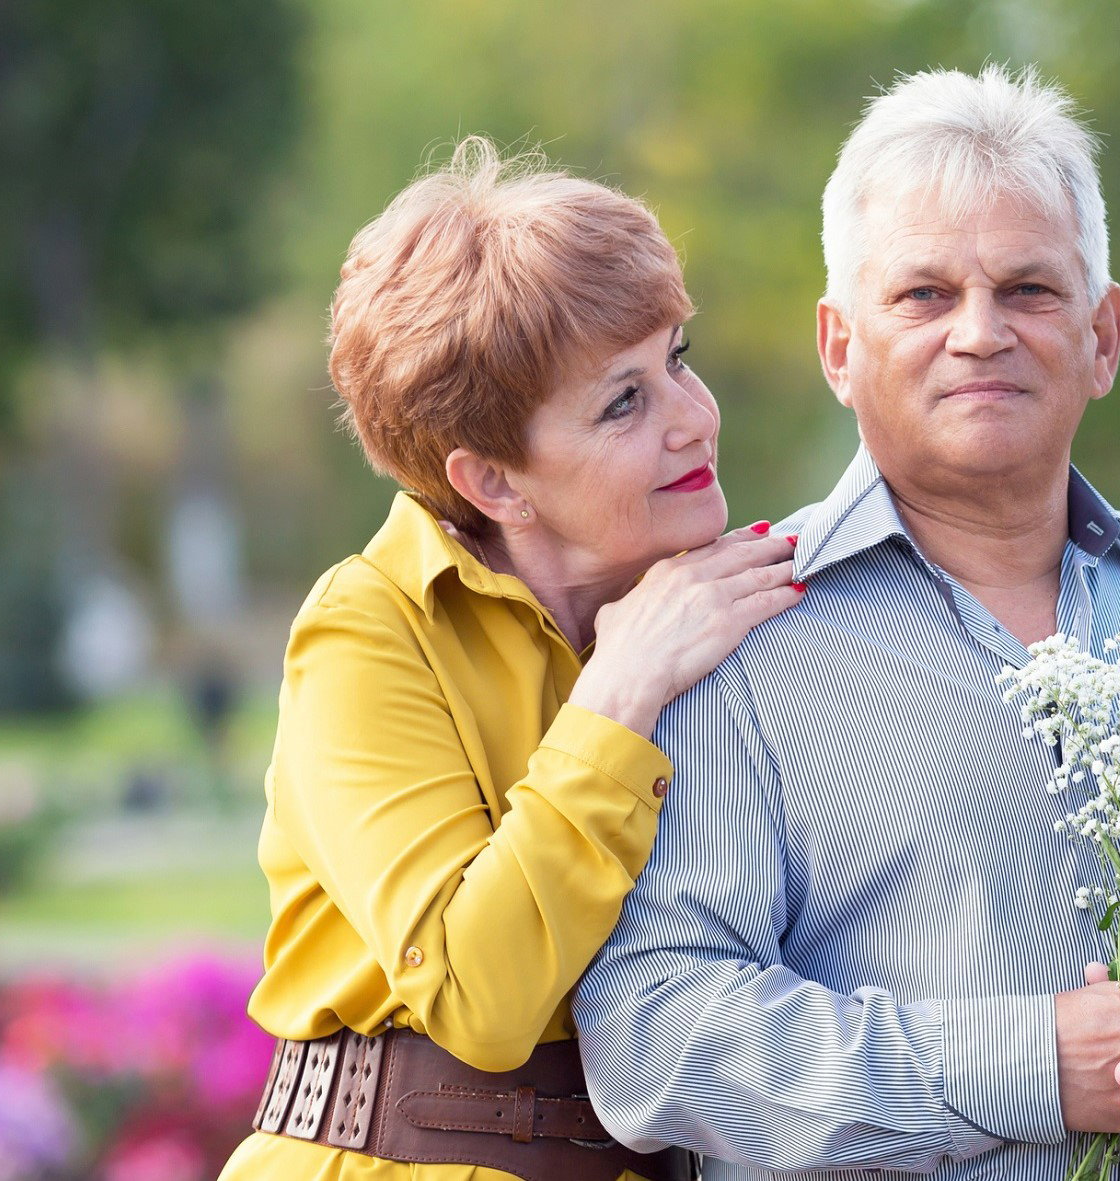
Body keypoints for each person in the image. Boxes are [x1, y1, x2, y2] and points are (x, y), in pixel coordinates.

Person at [574, 66, 1120, 1180]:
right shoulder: (733, 634)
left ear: (1101, 334)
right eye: (922, 295)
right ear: (838, 347)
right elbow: (658, 1031)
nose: (979, 332)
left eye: (1027, 289)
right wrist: (1026, 1062)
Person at [219, 138, 801, 1181]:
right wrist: (619, 693)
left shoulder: (723, 606)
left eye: (677, 358)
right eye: (623, 402)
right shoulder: (370, 627)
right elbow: (479, 996)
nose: (692, 418)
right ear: (493, 482)